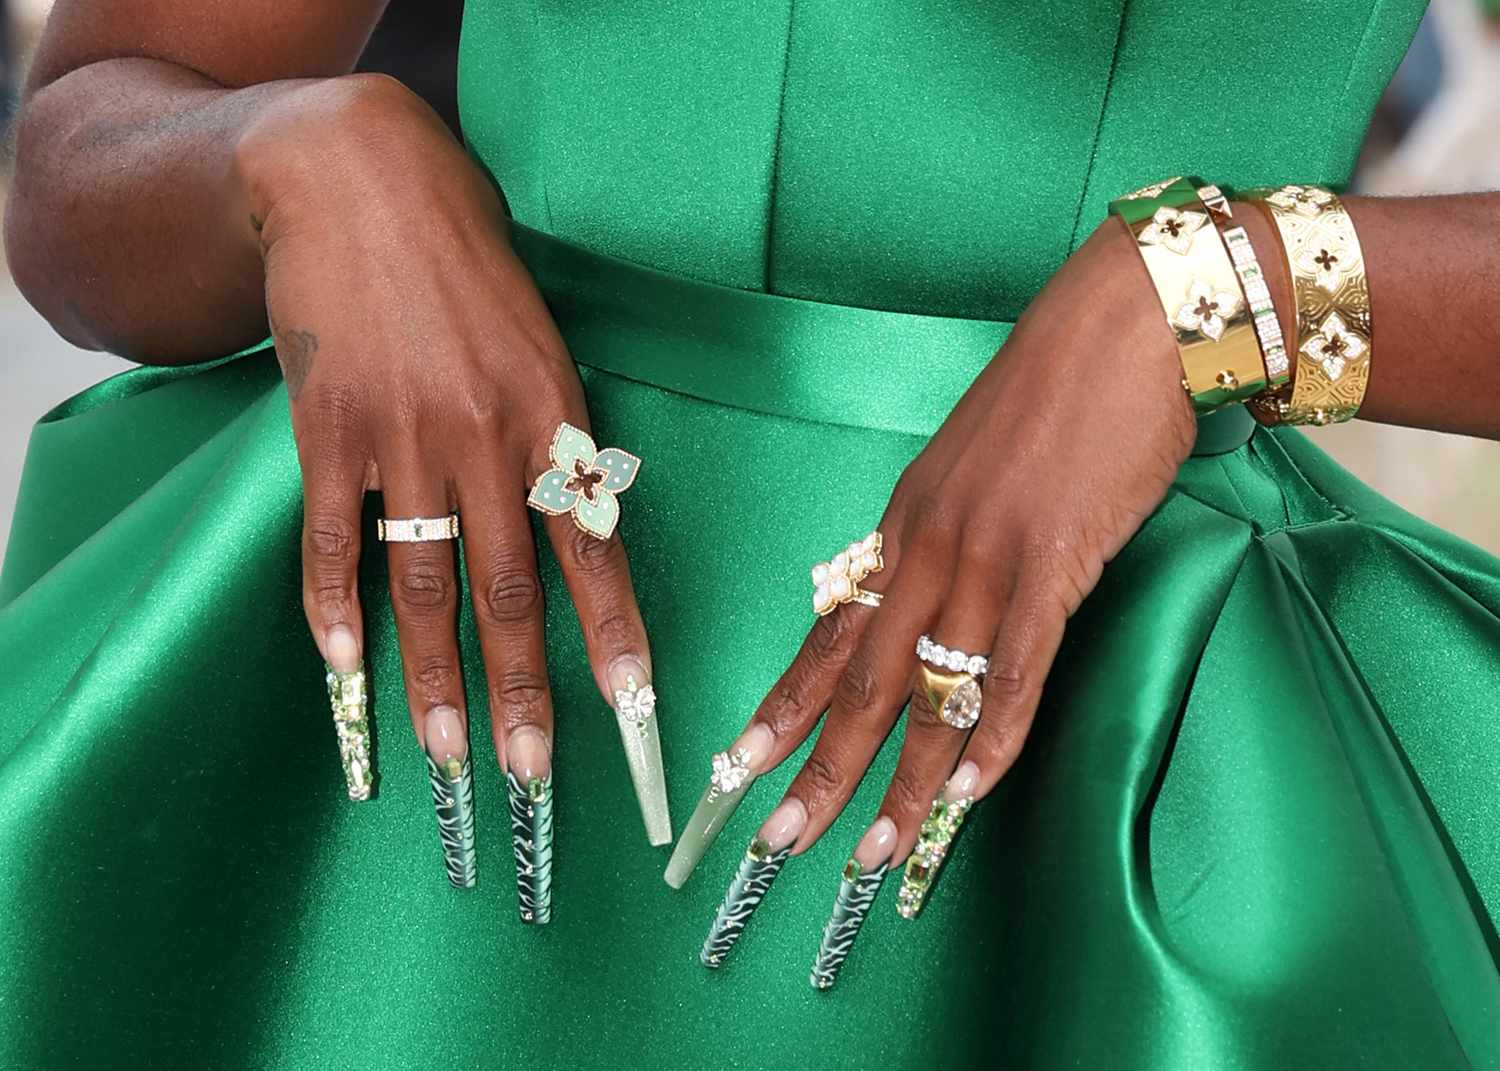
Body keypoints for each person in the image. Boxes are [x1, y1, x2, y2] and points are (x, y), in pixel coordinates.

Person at [3, 1, 1499, 1067]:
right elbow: (94, 132)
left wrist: (1236, 289)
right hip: (398, 708)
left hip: (1089, 753)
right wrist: (307, 153)